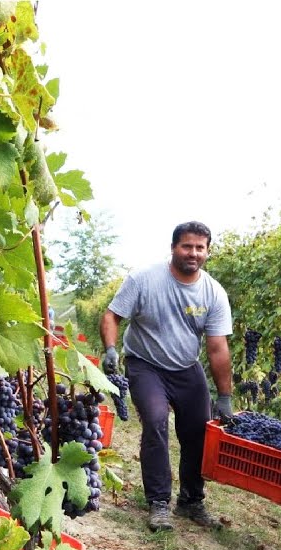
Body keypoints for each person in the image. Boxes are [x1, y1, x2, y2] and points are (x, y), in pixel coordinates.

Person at [100, 221, 234, 532]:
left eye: (200, 248)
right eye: (187, 246)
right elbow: (112, 315)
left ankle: (190, 501)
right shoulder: (144, 279)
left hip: (186, 367)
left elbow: (217, 348)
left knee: (199, 430)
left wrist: (225, 396)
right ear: (173, 247)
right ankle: (159, 503)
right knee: (156, 421)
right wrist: (109, 348)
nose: (194, 253)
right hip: (145, 363)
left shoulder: (213, 293)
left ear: (207, 252)